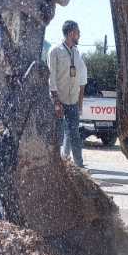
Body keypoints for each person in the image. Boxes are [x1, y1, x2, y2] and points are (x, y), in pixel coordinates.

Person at [47, 20, 86, 168]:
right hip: (59, 100)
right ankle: (54, 166)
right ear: (70, 33)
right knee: (57, 135)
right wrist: (56, 102)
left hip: (73, 100)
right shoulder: (55, 51)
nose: (79, 35)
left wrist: (79, 99)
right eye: (77, 32)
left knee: (75, 134)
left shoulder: (76, 52)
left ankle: (79, 166)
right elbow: (51, 78)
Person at [62, 56, 87, 159]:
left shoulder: (65, 62)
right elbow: (82, 90)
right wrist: (80, 107)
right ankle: (67, 157)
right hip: (72, 101)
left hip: (64, 99)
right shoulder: (81, 65)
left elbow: (81, 89)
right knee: (70, 131)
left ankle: (65, 156)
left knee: (67, 131)